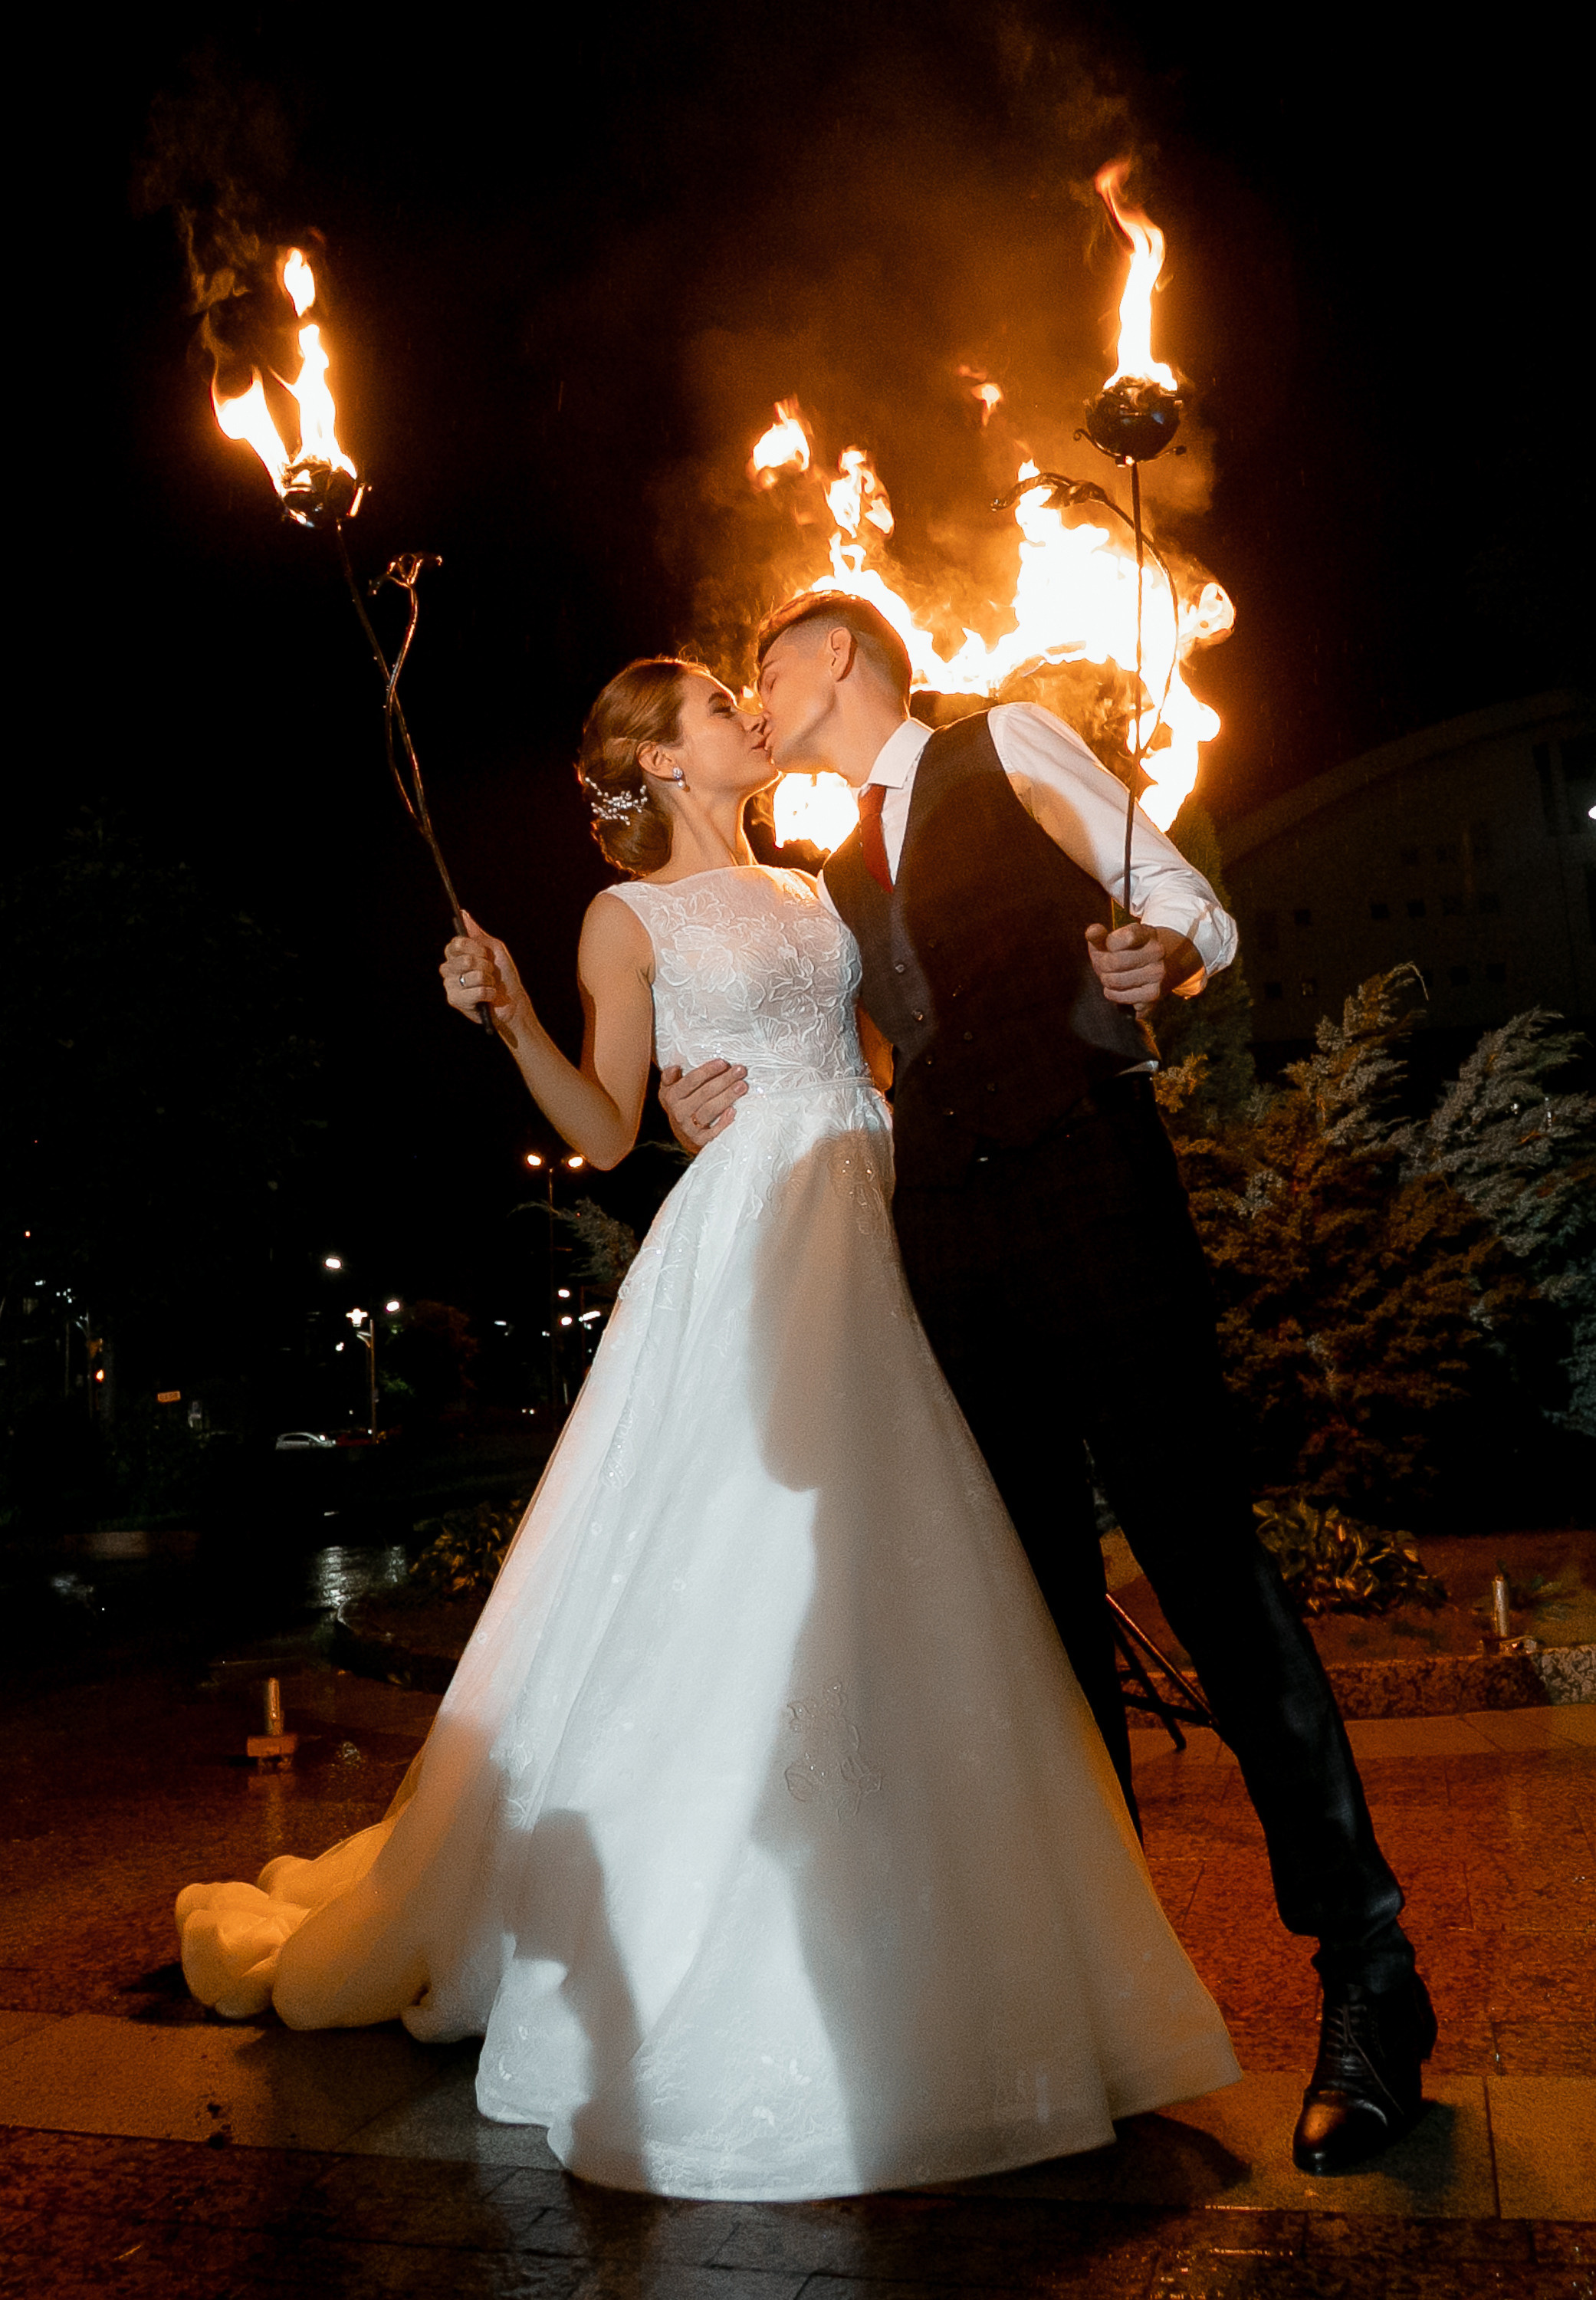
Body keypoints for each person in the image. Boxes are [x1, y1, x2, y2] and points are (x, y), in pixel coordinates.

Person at [176, 656, 1239, 2203]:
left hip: (887, 1213)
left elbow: (884, 1062)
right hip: (754, 1247)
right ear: (659, 760)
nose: (752, 713)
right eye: (719, 705)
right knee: (758, 1573)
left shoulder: (817, 891)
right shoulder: (628, 919)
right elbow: (604, 1129)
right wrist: (515, 1014)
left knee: (929, 1570)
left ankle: (967, 1942)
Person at [662, 596, 1436, 2177]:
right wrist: (698, 1103)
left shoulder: (1001, 741)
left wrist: (1155, 960)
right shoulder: (831, 872)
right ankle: (1100, 2015)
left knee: (1211, 1577)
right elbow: (834, 1064)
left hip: (1093, 1194)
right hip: (946, 1242)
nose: (758, 688)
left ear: (846, 663)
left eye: (774, 661)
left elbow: (1185, 911)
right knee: (1040, 1631)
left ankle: (1372, 1985)